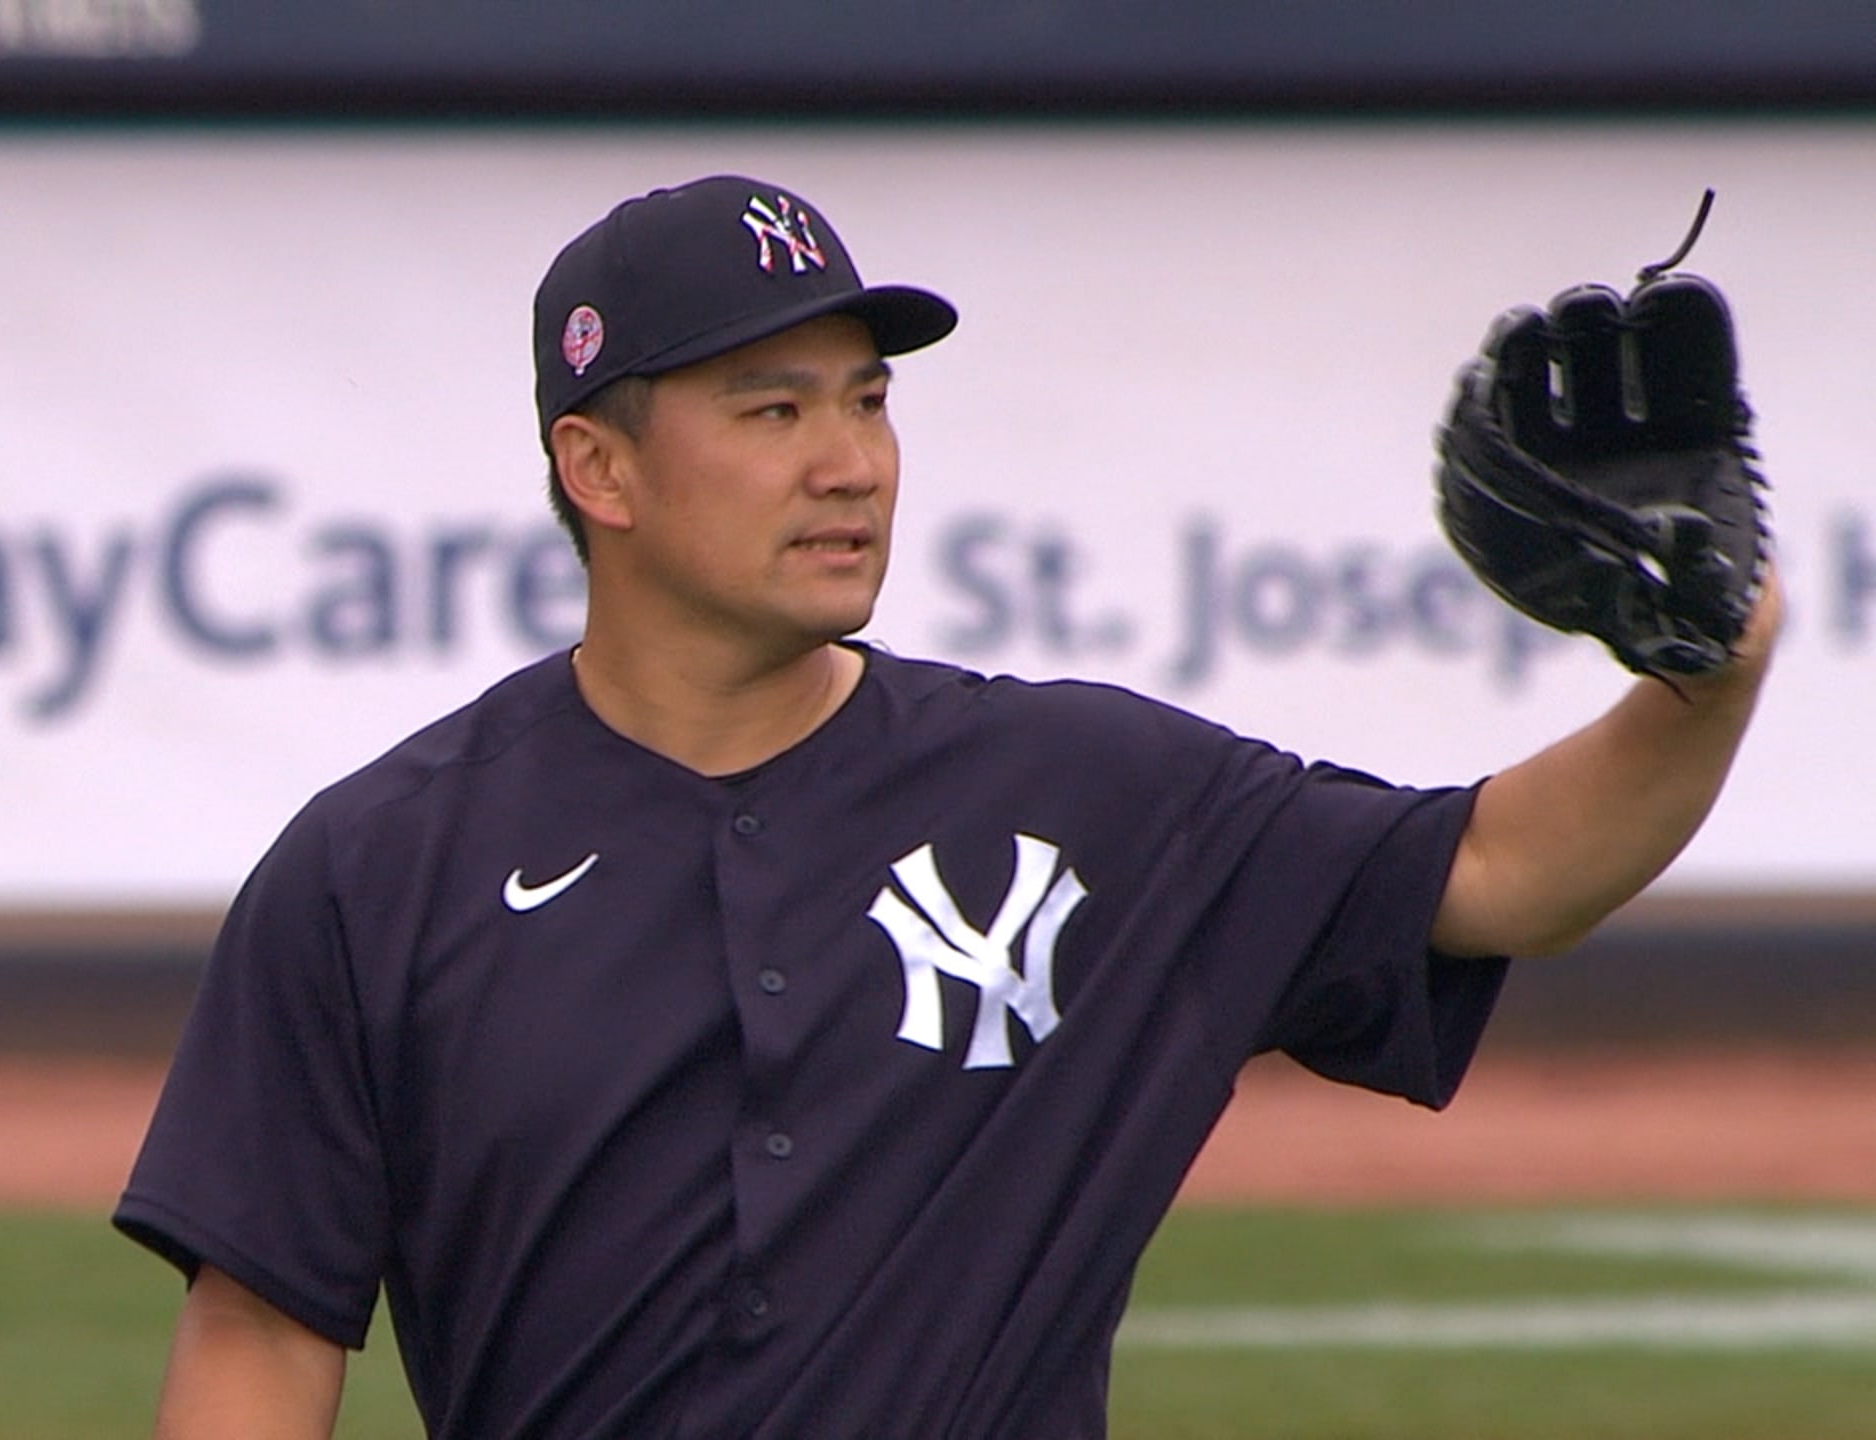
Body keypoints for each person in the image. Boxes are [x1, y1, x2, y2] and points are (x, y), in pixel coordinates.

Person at [114, 174, 1780, 1439]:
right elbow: (262, 1336)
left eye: (868, 399)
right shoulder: (380, 867)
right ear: (598, 470)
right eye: (774, 410)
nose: (851, 462)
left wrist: (1712, 669)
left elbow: (1506, 870)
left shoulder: (1092, 796)